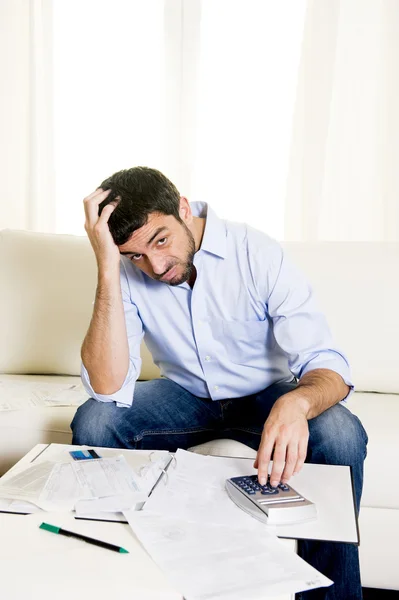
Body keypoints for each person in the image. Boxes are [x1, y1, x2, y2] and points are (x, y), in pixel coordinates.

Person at [72, 166, 368, 600]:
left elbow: (327, 364)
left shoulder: (255, 252)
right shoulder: (127, 271)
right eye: (136, 255)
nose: (156, 266)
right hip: (185, 398)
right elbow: (107, 387)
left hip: (266, 397)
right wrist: (107, 268)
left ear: (184, 208)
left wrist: (298, 403)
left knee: (341, 433)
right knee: (96, 421)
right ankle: (122, 583)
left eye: (160, 240)